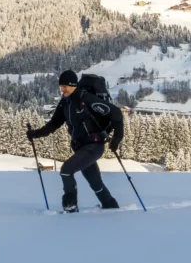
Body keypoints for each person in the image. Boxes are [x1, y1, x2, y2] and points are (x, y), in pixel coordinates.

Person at [27, 70, 124, 212]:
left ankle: (70, 208)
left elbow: (115, 112)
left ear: (73, 85)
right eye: (61, 86)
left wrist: (117, 138)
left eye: (65, 86)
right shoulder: (65, 102)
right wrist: (35, 134)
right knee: (95, 182)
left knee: (66, 170)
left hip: (94, 146)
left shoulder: (86, 99)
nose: (62, 89)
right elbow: (54, 123)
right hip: (81, 147)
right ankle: (111, 208)